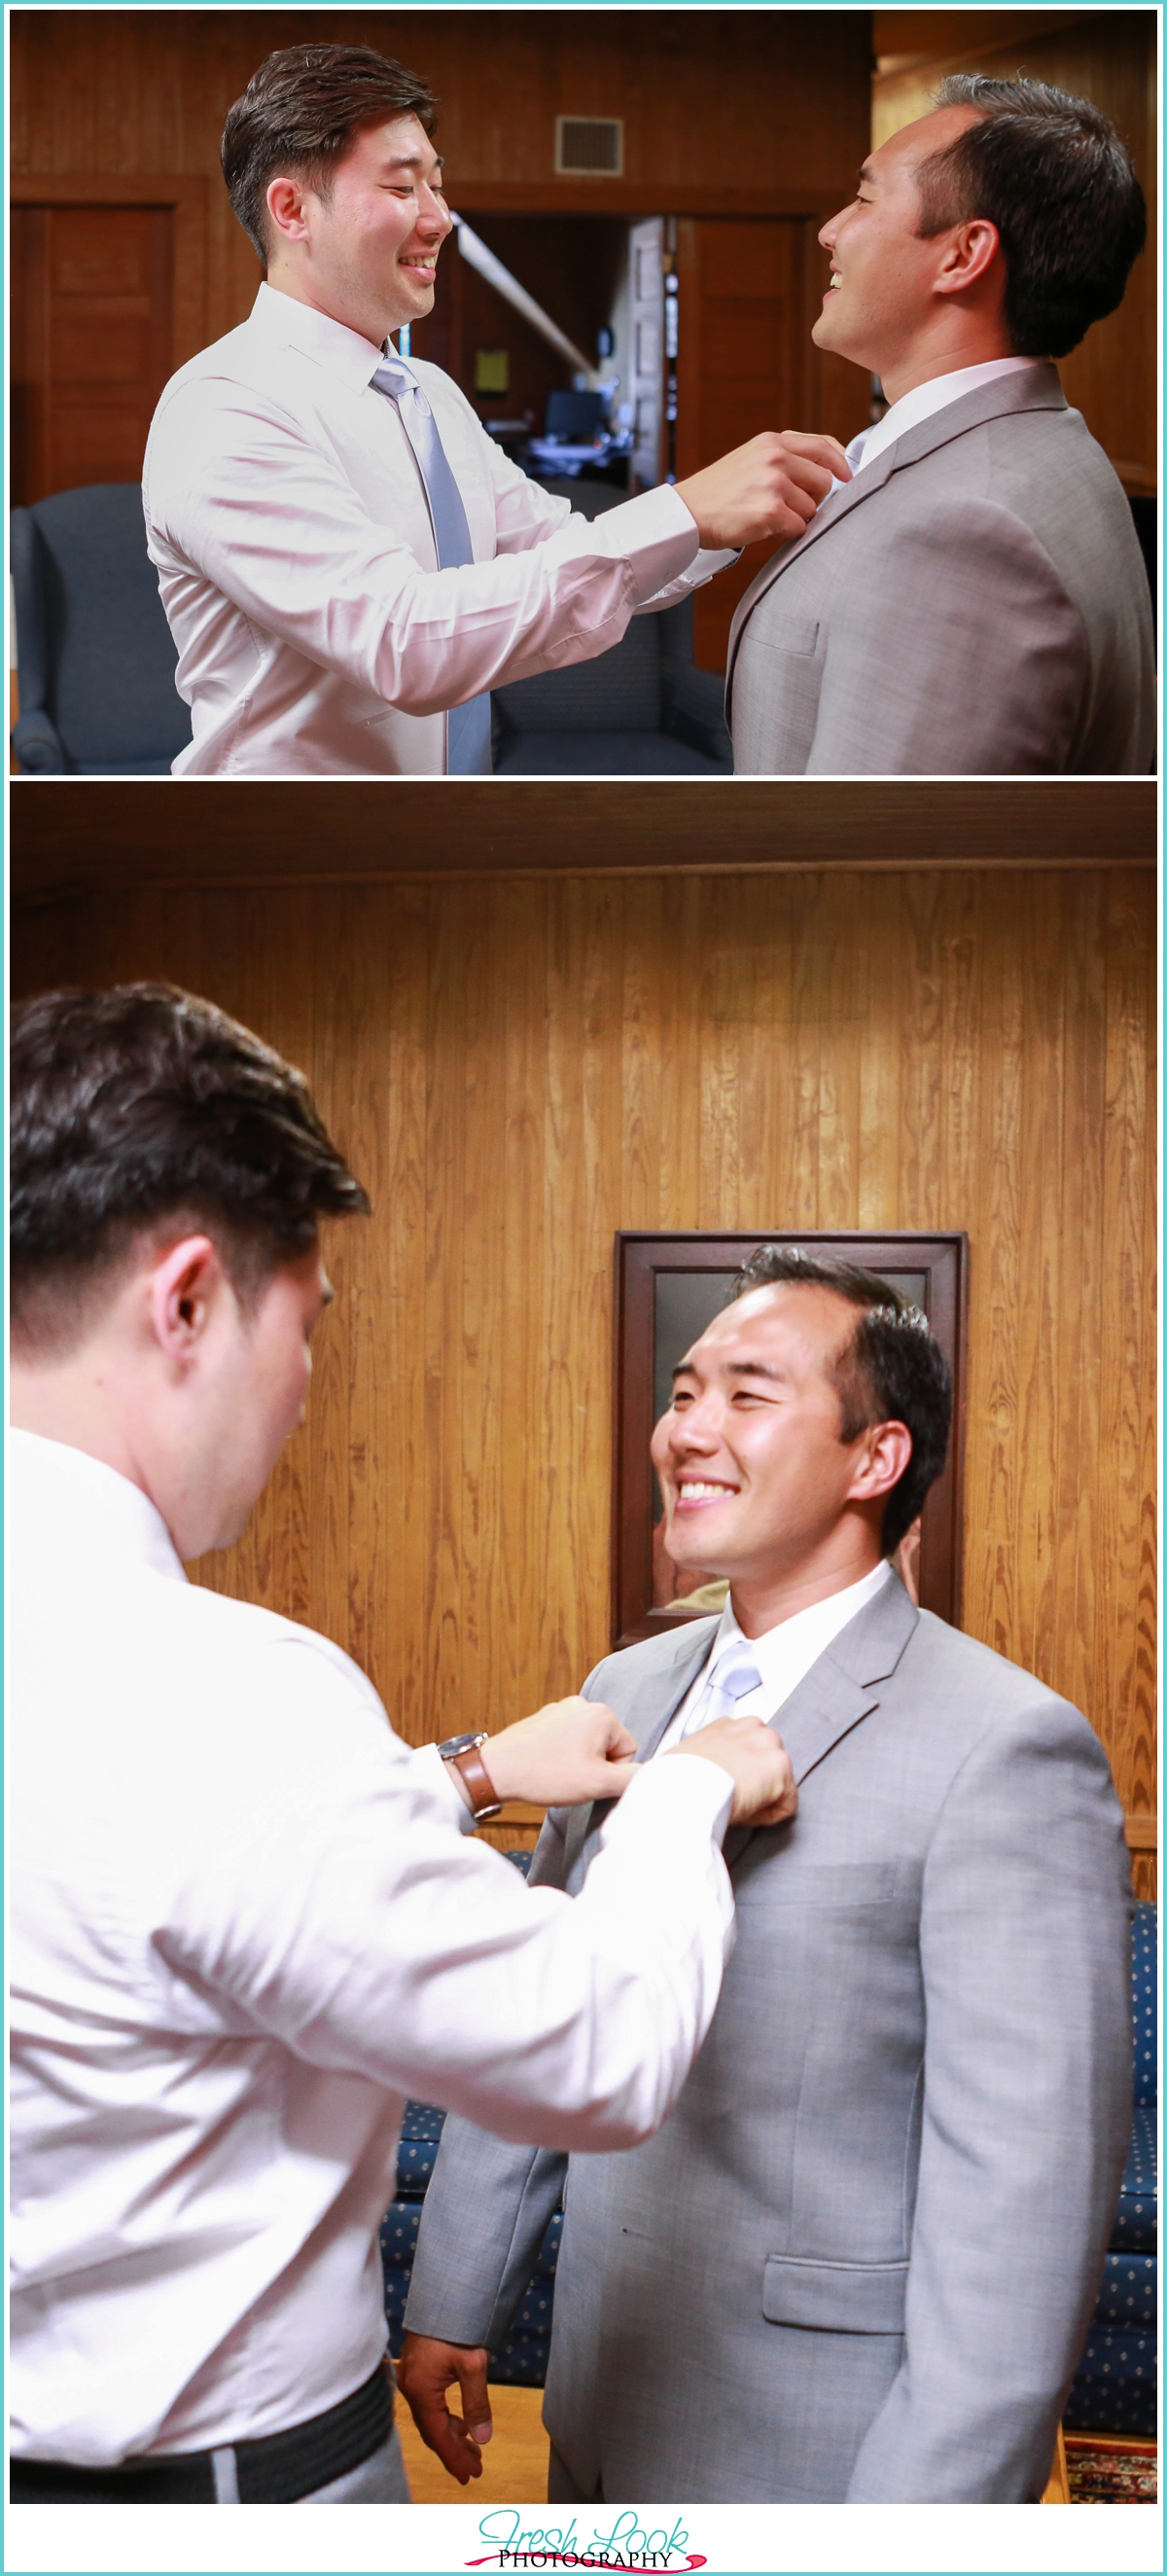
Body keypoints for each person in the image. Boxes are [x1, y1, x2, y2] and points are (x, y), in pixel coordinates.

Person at [8, 984, 796, 2506]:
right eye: (307, 1325)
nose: (306, 1392)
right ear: (184, 1301)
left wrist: (470, 1774)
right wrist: (693, 1786)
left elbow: (125, 1870)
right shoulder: (229, 1696)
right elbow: (600, 2050)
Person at [400, 1246, 1133, 2503]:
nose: (686, 1428)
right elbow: (549, 2001)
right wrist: (454, 2294)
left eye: (746, 1394)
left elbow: (1021, 2218)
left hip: (823, 2459)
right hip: (601, 2402)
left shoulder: (1005, 1745)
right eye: (683, 1393)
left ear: (874, 1458)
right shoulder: (620, 1695)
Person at [143, 43, 848, 777]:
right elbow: (403, 644)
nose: (440, 219)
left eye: (438, 187)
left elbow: (567, 551)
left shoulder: (429, 394)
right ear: (292, 209)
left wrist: (734, 515)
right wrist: (685, 511)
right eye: (401, 189)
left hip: (452, 832)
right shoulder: (226, 407)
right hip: (295, 854)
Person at [726, 76, 1154, 775]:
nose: (831, 230)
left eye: (864, 199)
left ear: (963, 255)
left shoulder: (966, 533)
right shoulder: (1047, 446)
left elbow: (879, 870)